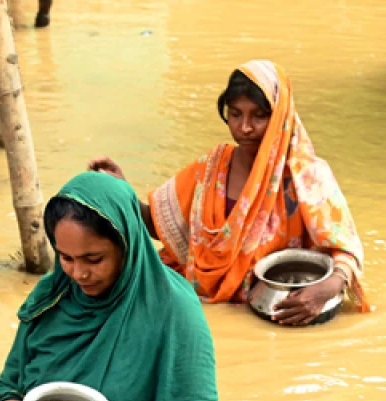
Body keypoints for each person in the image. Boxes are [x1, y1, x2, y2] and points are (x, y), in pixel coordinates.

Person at [0, 172, 218, 401]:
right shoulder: (51, 296)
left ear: (127, 244)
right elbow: (10, 385)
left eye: (94, 259)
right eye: (65, 258)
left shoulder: (173, 307)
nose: (79, 273)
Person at [88, 60, 370, 326]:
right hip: (198, 299)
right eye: (235, 115)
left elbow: (345, 249)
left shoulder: (307, 177)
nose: (244, 128)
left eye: (259, 116)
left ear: (280, 118)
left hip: (271, 308)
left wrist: (326, 289)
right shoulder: (211, 169)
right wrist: (121, 190)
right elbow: (161, 228)